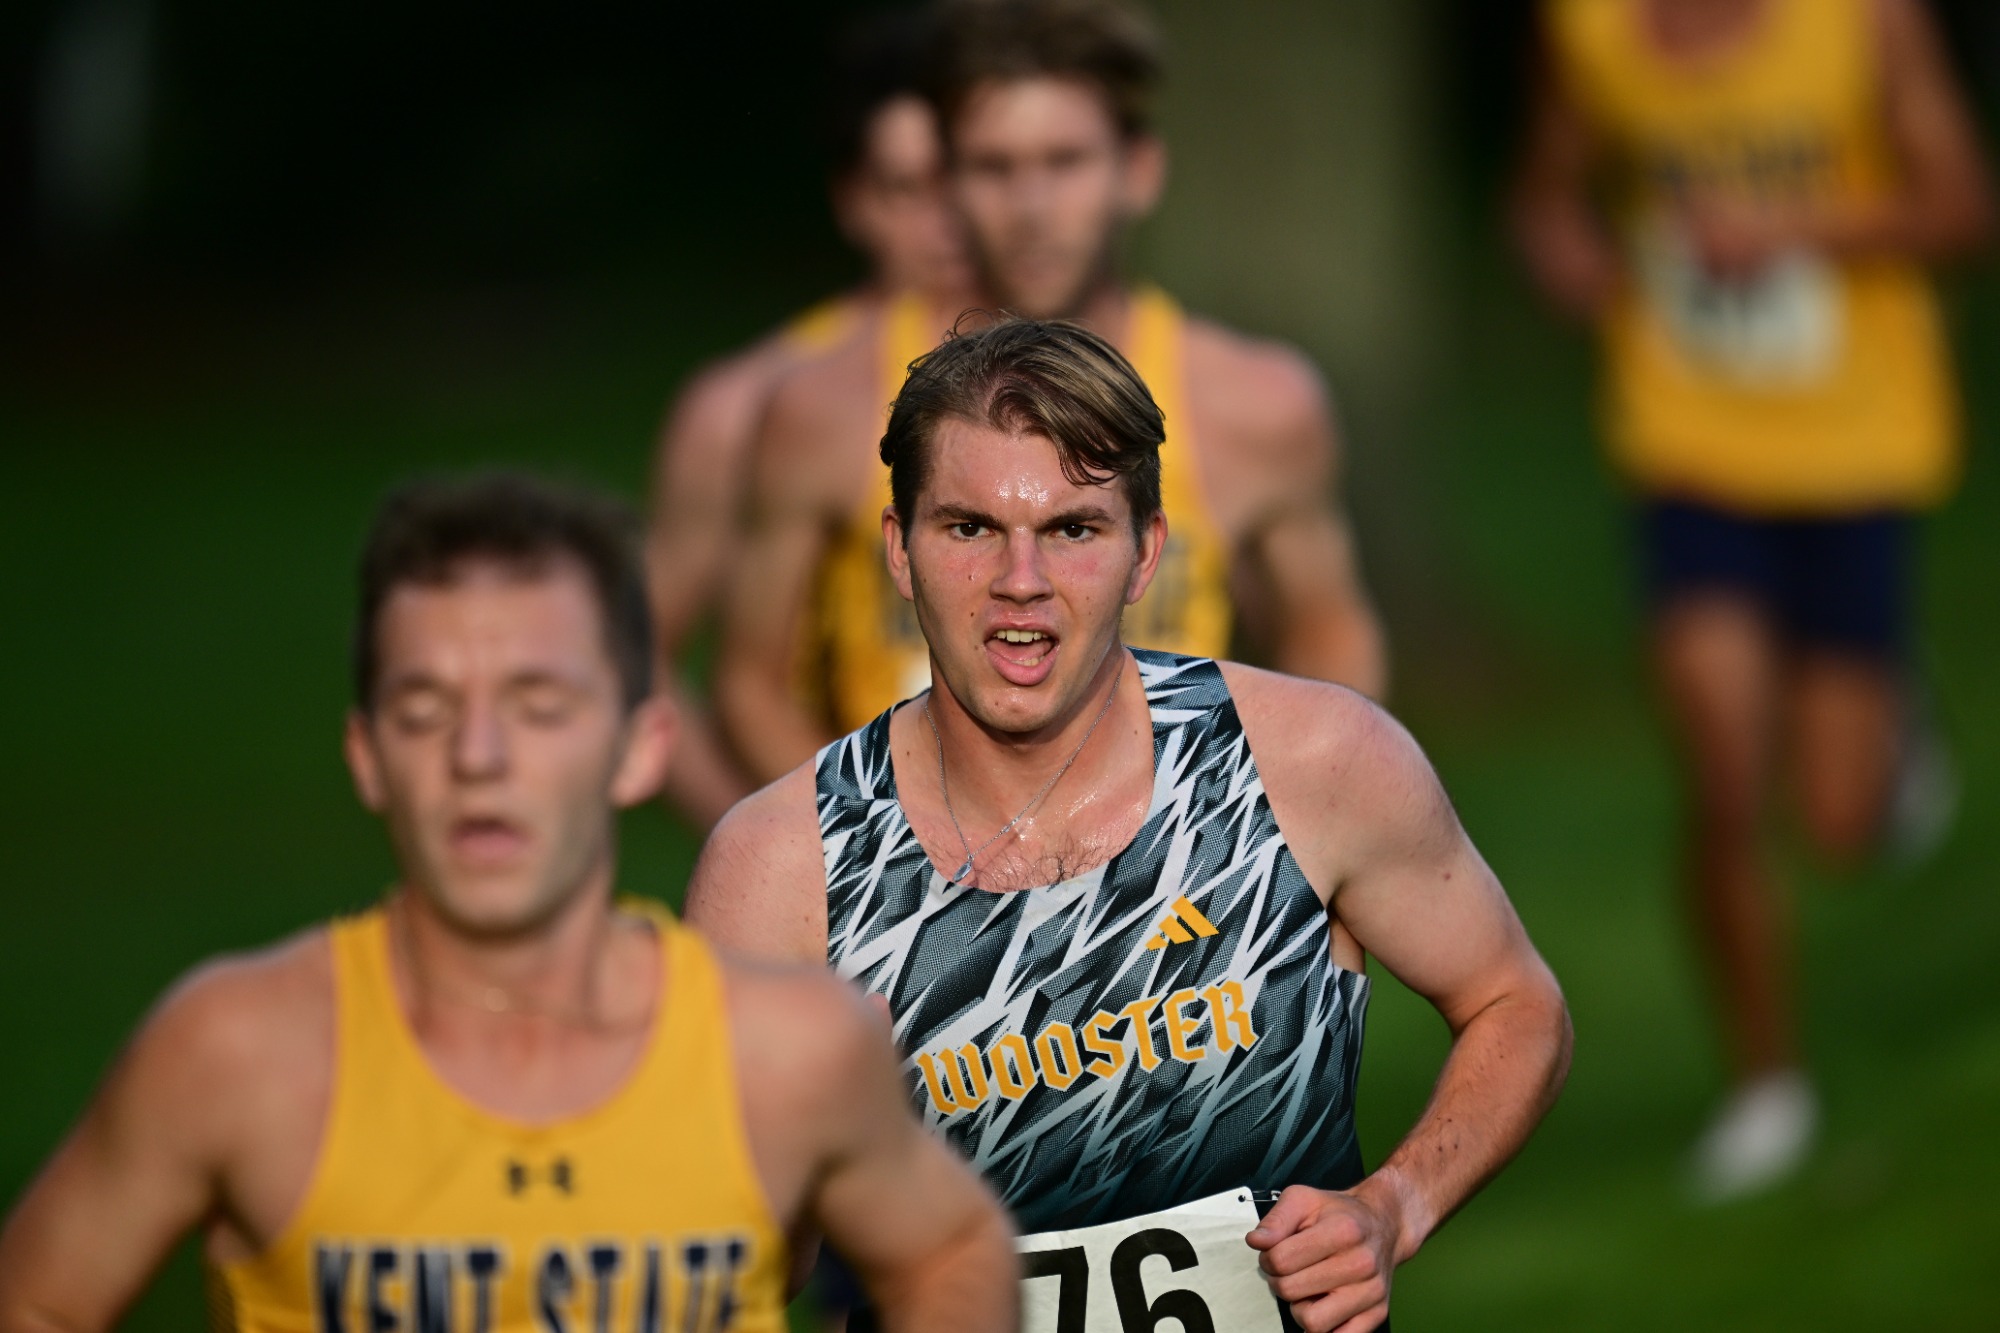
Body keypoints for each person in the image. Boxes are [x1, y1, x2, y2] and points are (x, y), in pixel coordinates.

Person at [687, 321, 1571, 1333]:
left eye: (1072, 530)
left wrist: (1393, 1206)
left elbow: (1515, 1002)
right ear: (899, 549)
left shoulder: (1309, 762)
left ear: (1147, 552)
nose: (1021, 580)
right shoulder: (782, 868)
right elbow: (733, 1249)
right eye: (970, 528)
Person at [0, 475, 1017, 1333]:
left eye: (538, 705)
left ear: (641, 747)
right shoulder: (238, 1055)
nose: (479, 757)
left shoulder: (791, 1051)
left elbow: (950, 1249)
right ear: (368, 754)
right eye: (425, 708)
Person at [1511, 0, 1992, 1200]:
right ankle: (1764, 1087)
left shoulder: (1864, 23)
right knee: (1722, 772)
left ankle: (1888, 730)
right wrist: (1566, 252)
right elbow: (1546, 195)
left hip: (1854, 446)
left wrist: (1791, 227)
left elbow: (1960, 206)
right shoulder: (1589, 31)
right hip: (1685, 444)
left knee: (1833, 823)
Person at [717, 0, 1387, 786]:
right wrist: (874, 836)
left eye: (1066, 162)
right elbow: (753, 683)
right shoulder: (824, 406)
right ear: (946, 183)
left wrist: (1253, 819)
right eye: (994, 167)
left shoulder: (1254, 404)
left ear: (1138, 170)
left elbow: (1330, 635)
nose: (1032, 208)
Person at [645, 9, 971, 829]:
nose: (949, 221)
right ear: (853, 201)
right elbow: (631, 657)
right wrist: (775, 839)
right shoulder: (745, 406)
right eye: (909, 189)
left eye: (969, 177)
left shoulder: (1117, 368)